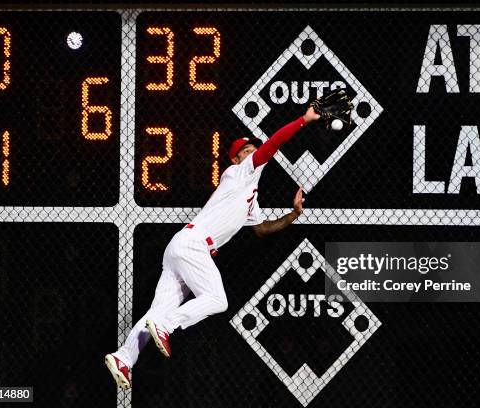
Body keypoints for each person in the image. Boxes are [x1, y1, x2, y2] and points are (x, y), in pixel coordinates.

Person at [105, 106, 321, 389]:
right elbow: (271, 146)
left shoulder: (249, 197)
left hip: (182, 248)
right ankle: (168, 326)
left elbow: (261, 229)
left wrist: (293, 214)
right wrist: (303, 121)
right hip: (194, 246)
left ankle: (124, 358)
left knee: (156, 313)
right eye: (246, 150)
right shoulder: (238, 173)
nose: (252, 151)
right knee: (218, 300)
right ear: (235, 158)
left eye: (252, 148)